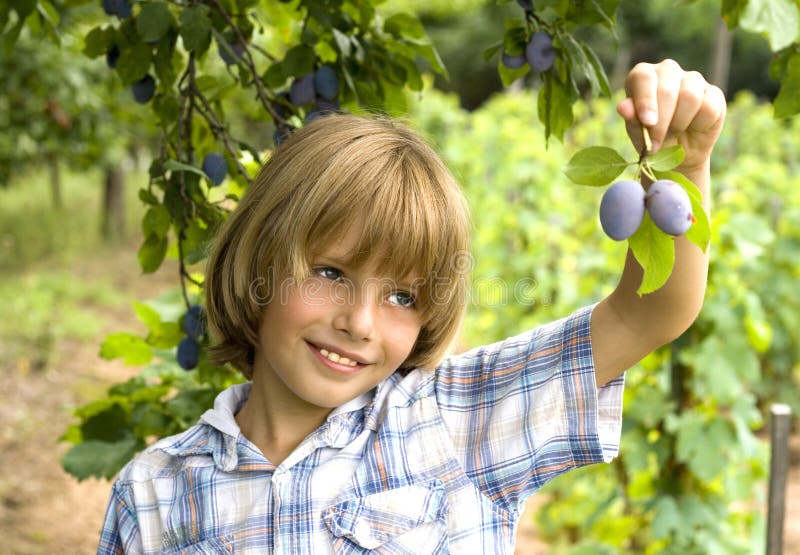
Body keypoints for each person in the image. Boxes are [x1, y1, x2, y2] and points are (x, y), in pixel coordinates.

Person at [97, 59, 726, 554]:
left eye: (402, 296)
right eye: (330, 272)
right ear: (259, 261)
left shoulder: (456, 424)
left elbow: (648, 311)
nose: (359, 323)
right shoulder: (153, 494)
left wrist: (683, 164)